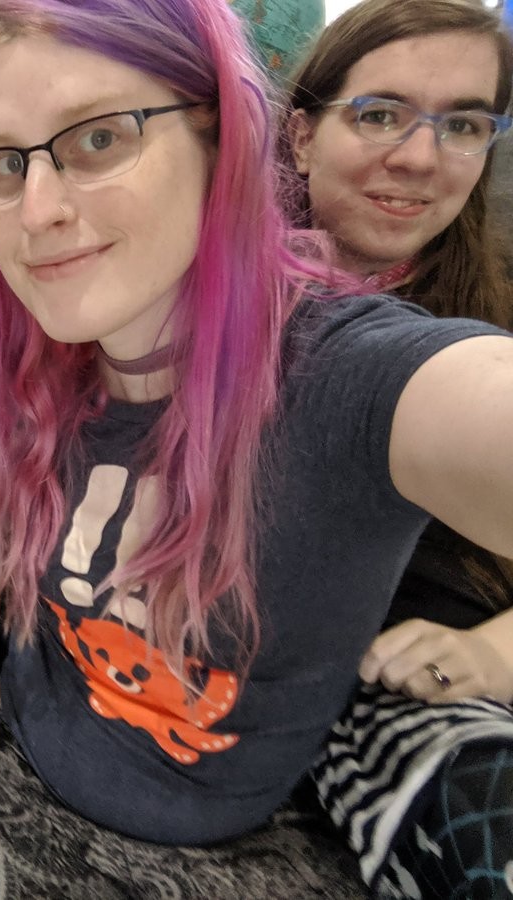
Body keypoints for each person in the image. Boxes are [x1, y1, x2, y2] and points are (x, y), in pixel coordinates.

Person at [0, 0, 513, 866]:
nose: (37, 210)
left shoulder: (349, 373)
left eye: (98, 138)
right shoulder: (47, 356)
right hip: (1, 755)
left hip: (189, 853)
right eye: (4, 162)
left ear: (226, 139)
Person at [285, 1, 513, 894]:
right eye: (379, 113)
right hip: (383, 702)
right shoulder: (209, 311)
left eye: (462, 124)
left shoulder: (490, 324)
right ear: (301, 135)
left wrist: (499, 650)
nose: (420, 158)